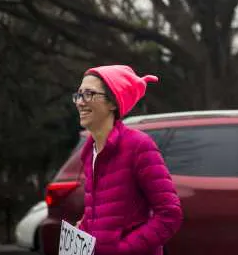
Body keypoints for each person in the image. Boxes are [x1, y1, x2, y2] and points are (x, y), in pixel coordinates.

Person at [74, 65, 183, 255]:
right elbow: (102, 213)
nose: (80, 102)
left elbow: (169, 215)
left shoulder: (138, 146)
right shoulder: (90, 152)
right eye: (78, 94)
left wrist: (122, 249)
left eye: (89, 94)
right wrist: (82, 231)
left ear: (113, 103)